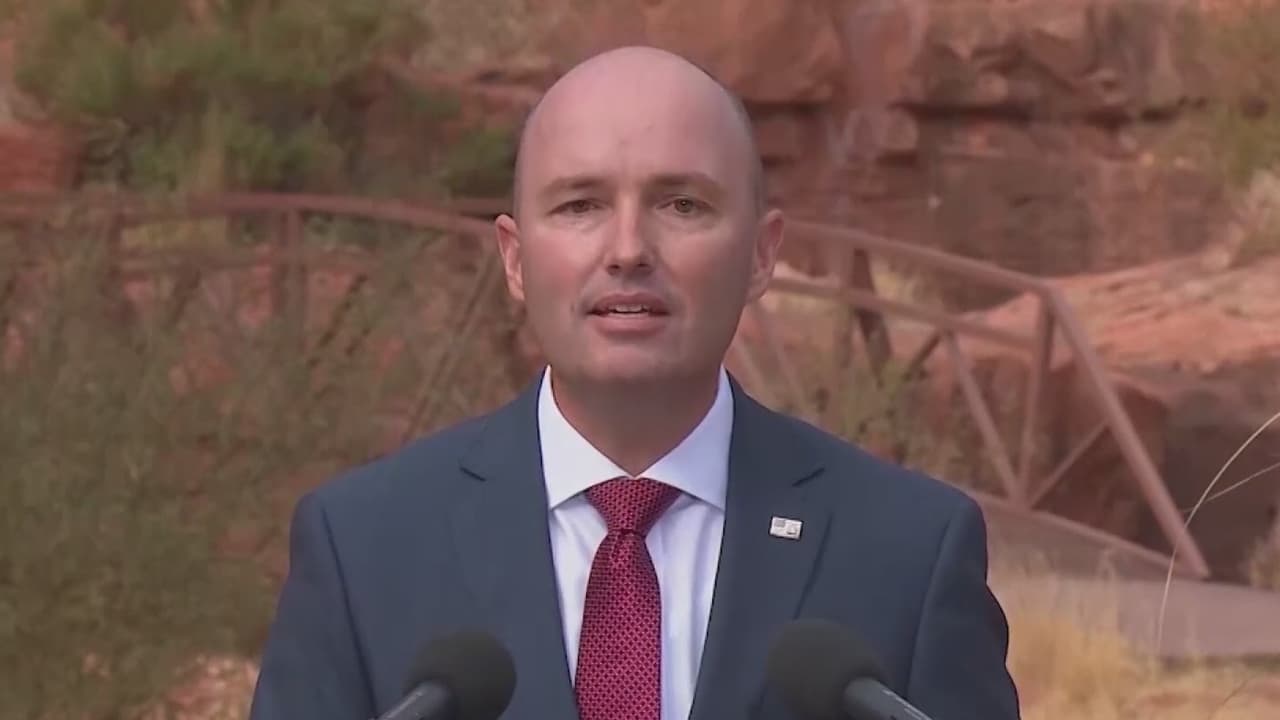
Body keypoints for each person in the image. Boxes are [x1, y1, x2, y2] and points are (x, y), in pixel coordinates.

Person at [248, 46, 1021, 720]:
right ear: (514, 259)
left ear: (761, 254)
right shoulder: (362, 549)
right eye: (580, 205)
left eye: (681, 204)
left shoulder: (910, 552)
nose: (627, 250)